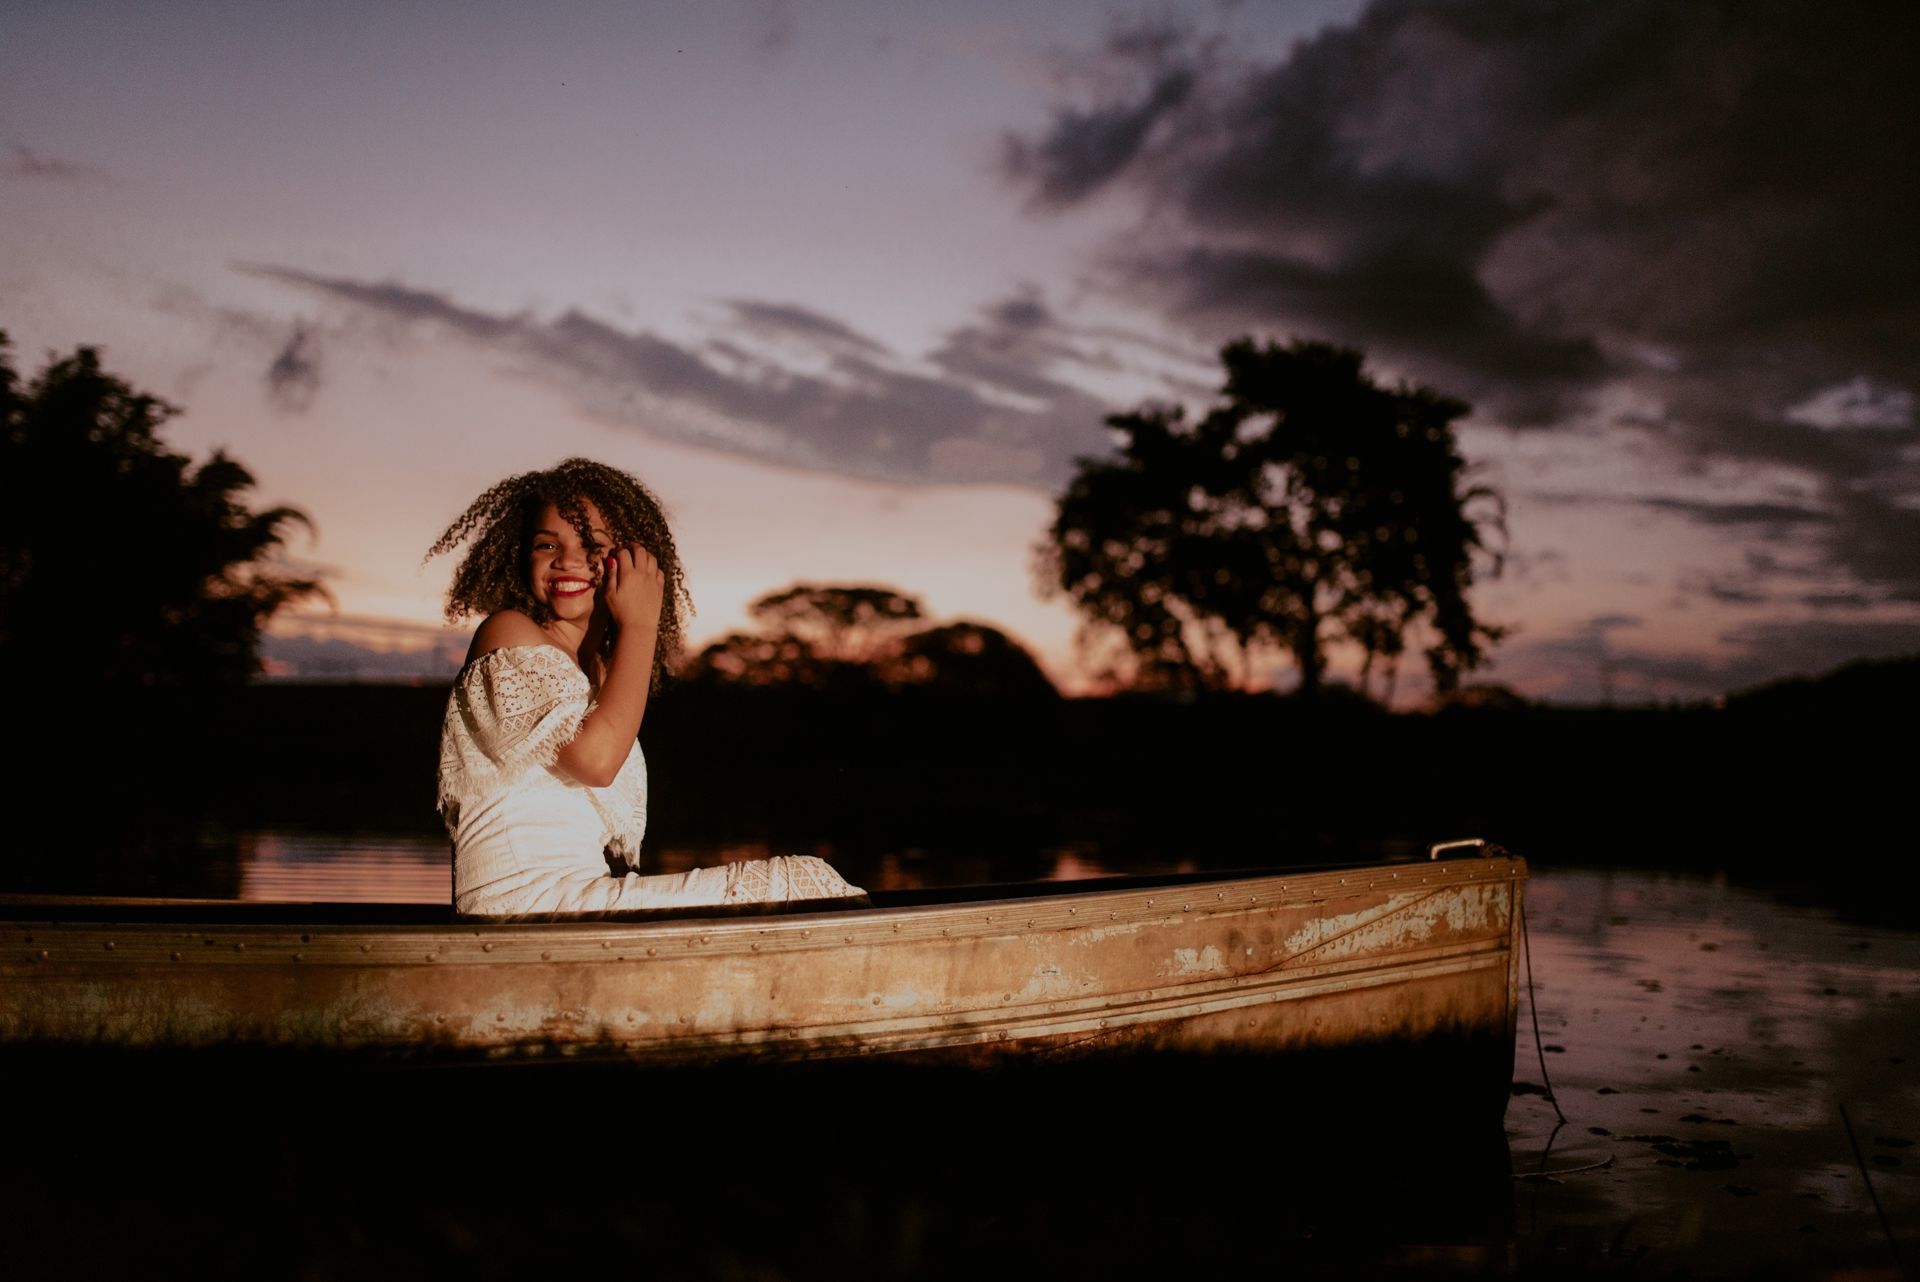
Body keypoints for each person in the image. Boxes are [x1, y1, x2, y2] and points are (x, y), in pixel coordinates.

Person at [429, 458, 866, 917]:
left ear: (635, 562)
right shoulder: (507, 631)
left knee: (814, 886)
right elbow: (596, 761)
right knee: (806, 882)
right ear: (522, 557)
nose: (567, 560)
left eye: (592, 544)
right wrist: (642, 622)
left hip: (572, 898)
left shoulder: (598, 669)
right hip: (519, 904)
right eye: (545, 544)